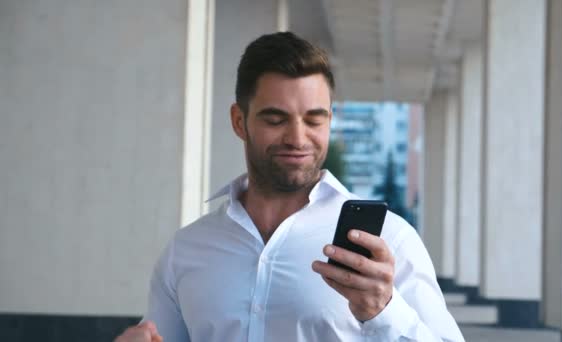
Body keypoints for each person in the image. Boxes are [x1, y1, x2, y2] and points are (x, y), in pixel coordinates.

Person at [115, 31, 464, 342]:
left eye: (314, 119)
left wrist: (383, 311)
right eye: (275, 119)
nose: (298, 138)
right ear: (239, 121)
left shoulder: (389, 241)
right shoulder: (187, 249)